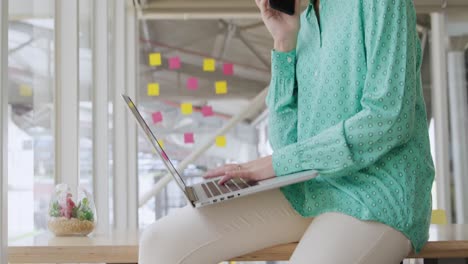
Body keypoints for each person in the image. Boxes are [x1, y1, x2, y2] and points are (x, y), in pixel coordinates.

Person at [138, 0, 435, 263]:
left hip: (376, 195)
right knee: (160, 243)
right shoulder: (303, 22)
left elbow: (389, 119)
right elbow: (286, 144)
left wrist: (273, 165)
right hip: (310, 190)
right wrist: (284, 43)